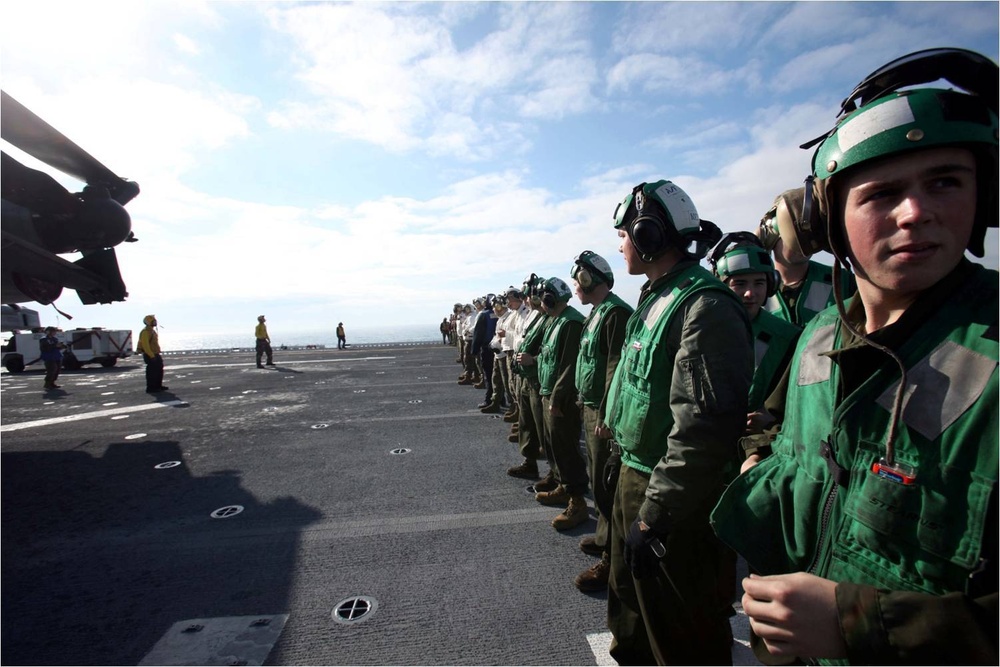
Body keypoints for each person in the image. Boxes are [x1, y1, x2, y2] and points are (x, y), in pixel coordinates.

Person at [711, 47, 999, 664]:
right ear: (828, 220)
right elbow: (797, 457)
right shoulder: (818, 337)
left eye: (946, 181)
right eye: (883, 192)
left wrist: (860, 624)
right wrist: (760, 461)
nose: (916, 211)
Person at [604, 179, 752, 665]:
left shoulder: (704, 306)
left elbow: (701, 430)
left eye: (626, 233)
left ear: (647, 236)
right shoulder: (659, 297)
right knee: (631, 606)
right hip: (636, 475)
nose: (621, 244)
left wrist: (655, 515)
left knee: (682, 631)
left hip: (673, 498)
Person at [570, 251, 633, 592]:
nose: (574, 287)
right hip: (590, 407)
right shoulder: (596, 314)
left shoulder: (616, 314)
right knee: (598, 481)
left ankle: (612, 559)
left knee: (607, 487)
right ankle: (604, 537)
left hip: (603, 415)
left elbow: (615, 369)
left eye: (578, 280)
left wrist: (609, 415)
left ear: (589, 280)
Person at [758, 186, 857, 326]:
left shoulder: (842, 281)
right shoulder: (752, 287)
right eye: (792, 237)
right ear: (770, 237)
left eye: (808, 235)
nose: (803, 244)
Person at [137, 314, 168, 394]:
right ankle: (151, 387)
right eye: (153, 321)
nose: (155, 322)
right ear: (148, 322)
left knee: (159, 369)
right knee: (152, 371)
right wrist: (151, 355)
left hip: (155, 353)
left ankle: (158, 386)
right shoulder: (145, 332)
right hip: (150, 354)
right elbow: (145, 345)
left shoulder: (151, 331)